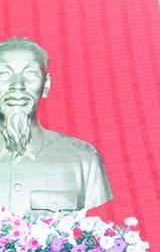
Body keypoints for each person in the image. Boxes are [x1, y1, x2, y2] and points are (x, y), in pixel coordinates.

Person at [0, 36, 112, 214]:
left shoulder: (83, 158)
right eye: (3, 74)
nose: (18, 85)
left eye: (31, 73)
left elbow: (103, 224)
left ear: (46, 85)